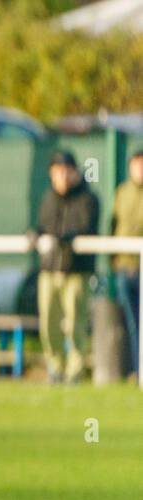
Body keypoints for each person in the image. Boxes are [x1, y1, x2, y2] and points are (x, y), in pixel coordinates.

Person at [33, 150, 100, 384]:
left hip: (76, 270)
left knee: (75, 323)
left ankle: (75, 371)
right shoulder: (48, 198)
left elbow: (86, 228)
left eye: (65, 171)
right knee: (48, 322)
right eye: (57, 172)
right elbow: (42, 226)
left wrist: (66, 238)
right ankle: (55, 366)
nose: (61, 177)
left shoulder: (88, 199)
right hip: (49, 269)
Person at [111, 150, 143, 375]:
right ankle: (136, 370)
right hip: (125, 267)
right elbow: (113, 225)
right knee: (132, 324)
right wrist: (113, 257)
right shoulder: (122, 192)